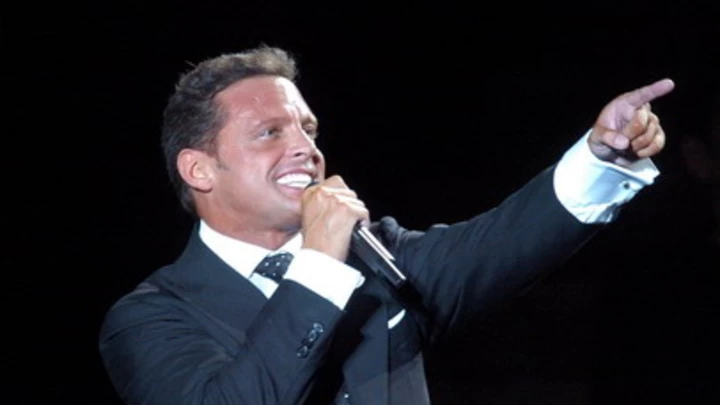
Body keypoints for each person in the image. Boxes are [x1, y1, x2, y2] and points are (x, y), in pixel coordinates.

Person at [98, 45, 675, 405]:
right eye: (270, 133)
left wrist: (602, 157)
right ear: (199, 169)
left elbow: (506, 240)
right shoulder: (151, 318)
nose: (305, 149)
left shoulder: (379, 257)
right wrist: (319, 262)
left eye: (308, 129)